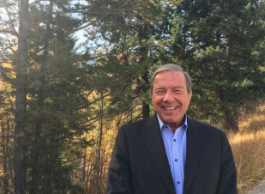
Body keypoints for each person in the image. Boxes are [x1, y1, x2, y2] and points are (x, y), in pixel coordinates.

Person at [106, 64, 238, 194]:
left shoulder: (216, 139)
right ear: (152, 96)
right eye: (160, 91)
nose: (168, 98)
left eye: (177, 90)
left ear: (189, 96)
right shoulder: (129, 138)